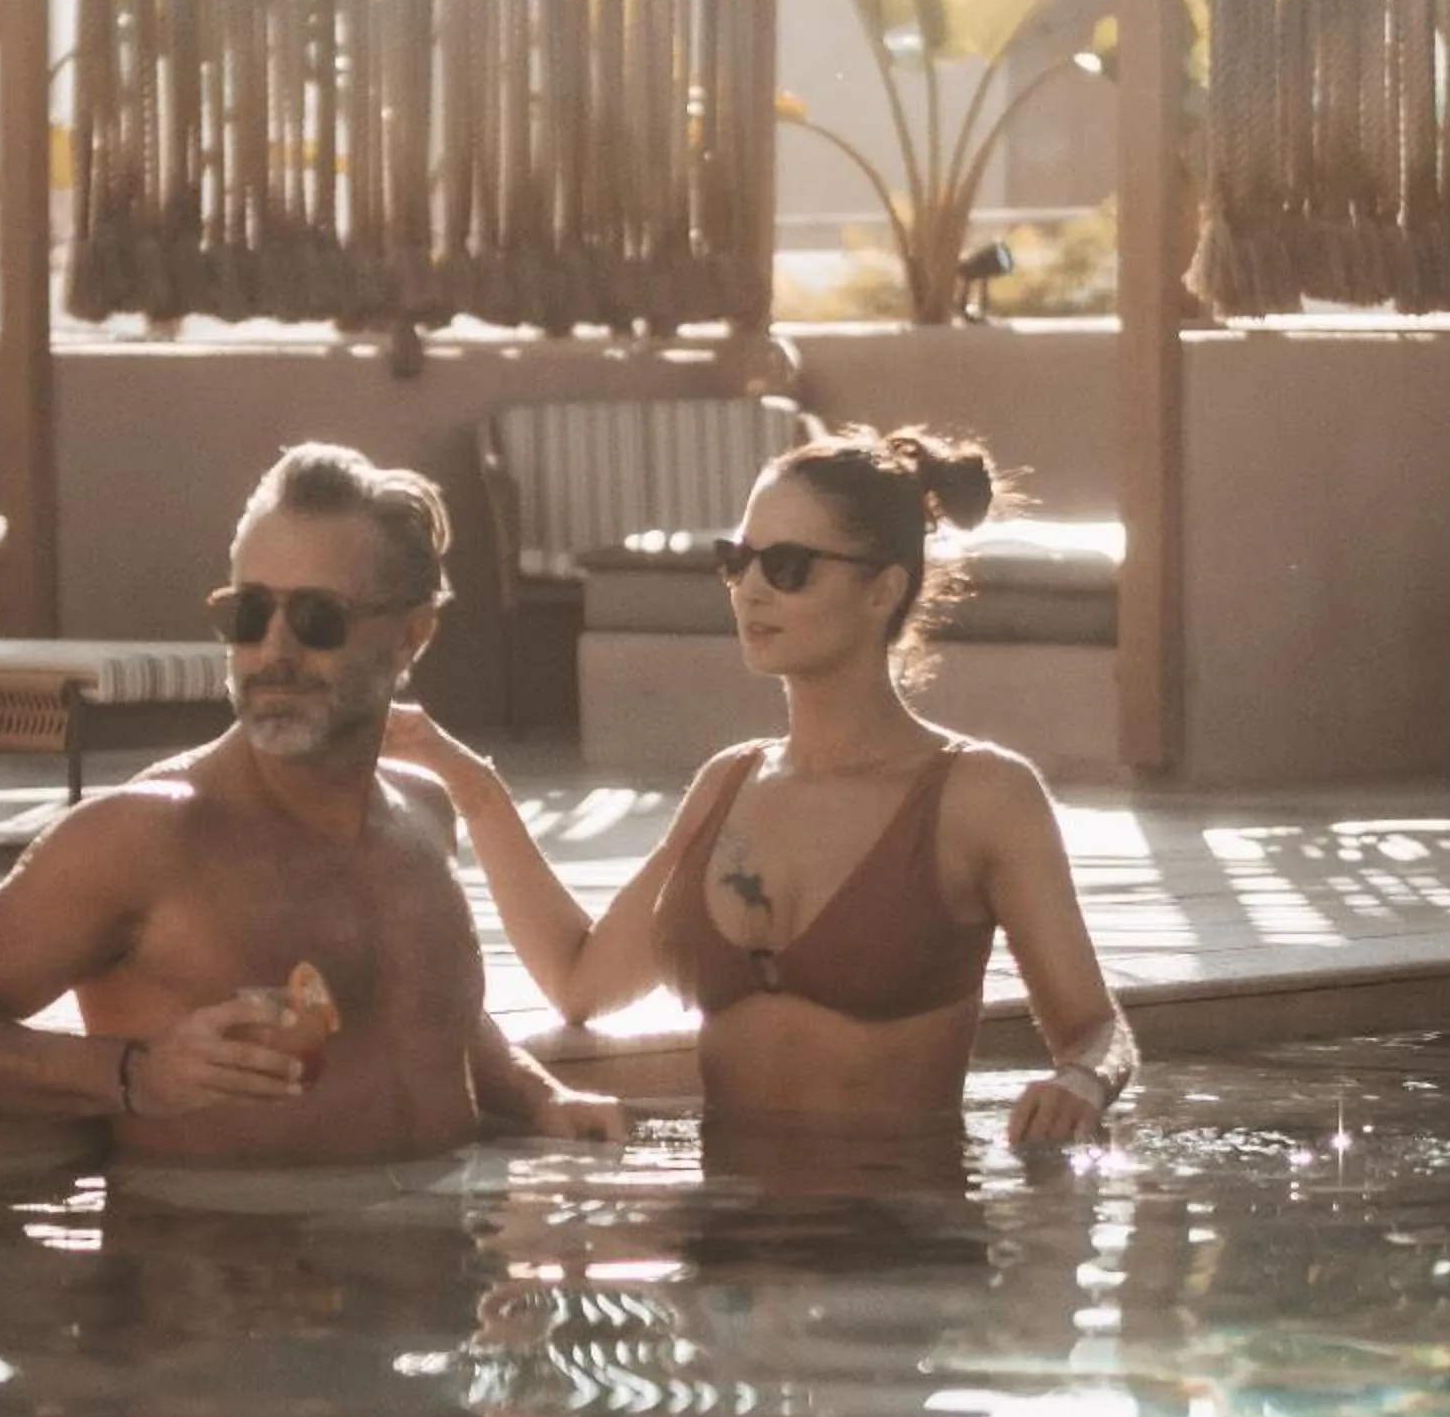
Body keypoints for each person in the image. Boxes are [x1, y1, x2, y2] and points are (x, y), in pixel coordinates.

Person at [0, 443, 625, 1165]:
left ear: (411, 637)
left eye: (317, 618)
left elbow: (425, 1013)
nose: (274, 651)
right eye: (248, 614)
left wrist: (539, 1097)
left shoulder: (423, 815)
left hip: (442, 1261)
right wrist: (135, 1073)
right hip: (240, 1275)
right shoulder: (145, 837)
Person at [387, 424, 1134, 1148]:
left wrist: (1082, 1082)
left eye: (788, 567)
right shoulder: (729, 783)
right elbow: (580, 982)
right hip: (723, 1238)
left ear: (883, 591)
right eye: (736, 560)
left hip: (903, 1240)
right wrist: (470, 783)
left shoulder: (981, 796)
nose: (749, 590)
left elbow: (1098, 1031)